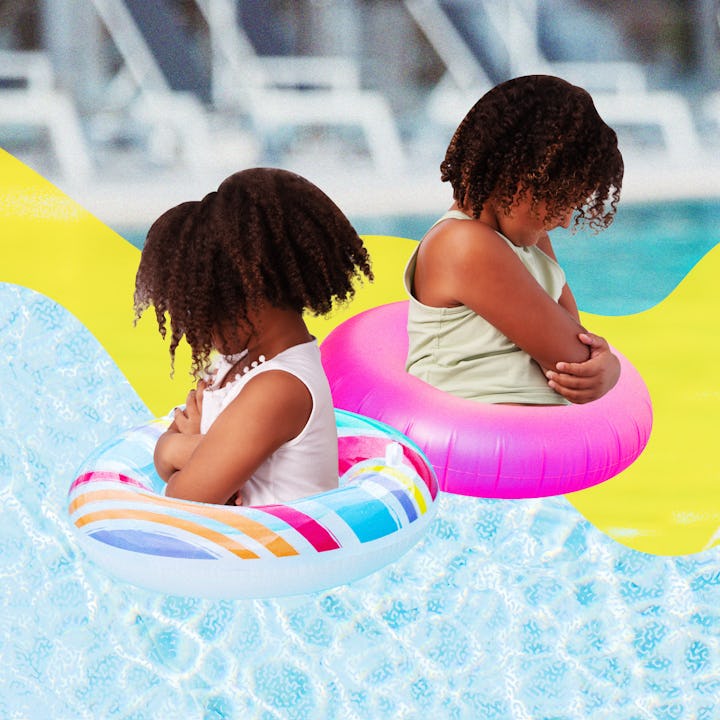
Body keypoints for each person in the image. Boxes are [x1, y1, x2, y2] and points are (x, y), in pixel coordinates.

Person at [134, 168, 372, 505]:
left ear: (245, 293)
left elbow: (183, 499)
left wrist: (173, 448)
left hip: (282, 554)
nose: (194, 330)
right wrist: (201, 451)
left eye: (203, 311)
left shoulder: (277, 388)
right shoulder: (238, 364)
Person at [405, 75, 624, 405]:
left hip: (525, 446)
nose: (565, 221)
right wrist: (605, 364)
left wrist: (607, 366)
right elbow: (574, 358)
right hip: (467, 446)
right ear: (522, 179)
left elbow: (576, 337)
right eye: (561, 201)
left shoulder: (526, 241)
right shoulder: (463, 244)